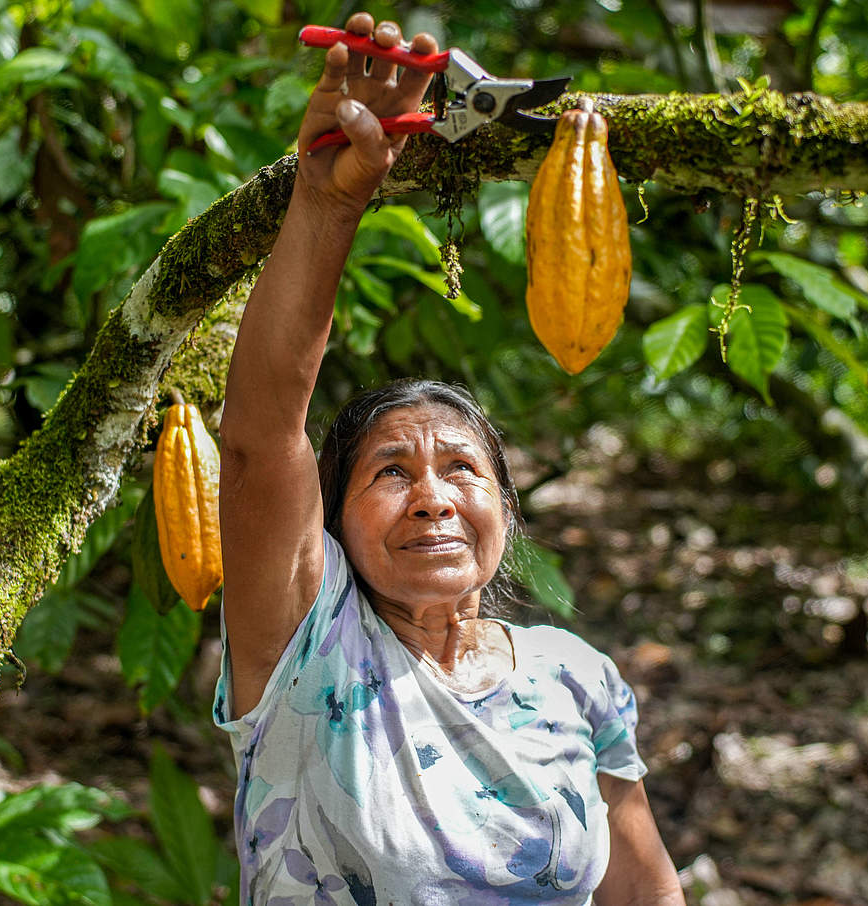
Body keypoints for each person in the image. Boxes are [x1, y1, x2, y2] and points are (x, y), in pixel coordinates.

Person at [214, 12, 686, 904]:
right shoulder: (310, 654)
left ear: (506, 508)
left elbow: (645, 893)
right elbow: (259, 437)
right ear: (333, 522)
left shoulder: (576, 677)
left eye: (464, 470)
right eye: (390, 472)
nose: (432, 497)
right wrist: (328, 198)